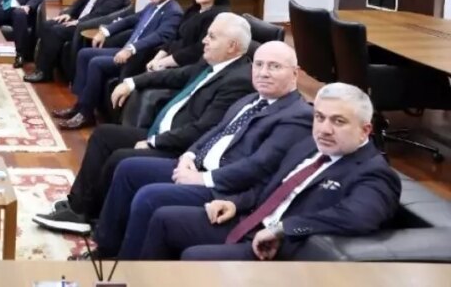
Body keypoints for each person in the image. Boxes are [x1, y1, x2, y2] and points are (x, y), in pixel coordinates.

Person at [83, 41, 312, 259]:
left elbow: (258, 166)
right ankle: (107, 245)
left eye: (274, 67)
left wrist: (203, 179)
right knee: (129, 168)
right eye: (259, 65)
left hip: (223, 188)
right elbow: (216, 131)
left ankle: (128, 267)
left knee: (149, 197)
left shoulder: (296, 115)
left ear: (295, 73)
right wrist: (189, 155)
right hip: (197, 166)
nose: (263, 73)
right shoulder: (252, 99)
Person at [36, 13, 255, 233]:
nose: (204, 40)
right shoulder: (211, 63)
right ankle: (80, 206)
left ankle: (92, 216)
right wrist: (132, 82)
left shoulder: (237, 81)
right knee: (103, 135)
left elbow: (203, 130)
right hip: (162, 132)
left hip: (180, 148)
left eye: (212, 37)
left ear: (232, 46)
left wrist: (154, 142)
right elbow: (175, 75)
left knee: (120, 157)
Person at [139, 83, 401, 261]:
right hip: (249, 220)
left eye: (338, 121)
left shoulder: (375, 173)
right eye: (320, 117)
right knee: (164, 219)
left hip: (277, 248)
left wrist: (283, 229)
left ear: (365, 130)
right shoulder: (310, 145)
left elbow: (355, 217)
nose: (324, 129)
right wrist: (234, 202)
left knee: (195, 258)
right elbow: (272, 185)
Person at [54, 0, 183, 130]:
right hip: (126, 50)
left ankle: (86, 114)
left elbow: (160, 36)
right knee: (84, 54)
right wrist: (105, 31)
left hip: (139, 57)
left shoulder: (173, 12)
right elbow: (129, 20)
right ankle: (79, 106)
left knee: (96, 63)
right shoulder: (152, 6)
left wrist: (131, 49)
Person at [25, 0, 130, 84]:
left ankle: (44, 72)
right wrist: (69, 13)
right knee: (46, 25)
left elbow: (103, 12)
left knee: (55, 31)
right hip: (80, 19)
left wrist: (79, 21)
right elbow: (82, 0)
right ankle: (43, 65)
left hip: (91, 25)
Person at [144, 0, 230, 72]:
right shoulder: (193, 10)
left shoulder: (219, 16)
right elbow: (174, 37)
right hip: (169, 62)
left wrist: (163, 63)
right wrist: (156, 59)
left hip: (189, 68)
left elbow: (198, 50)